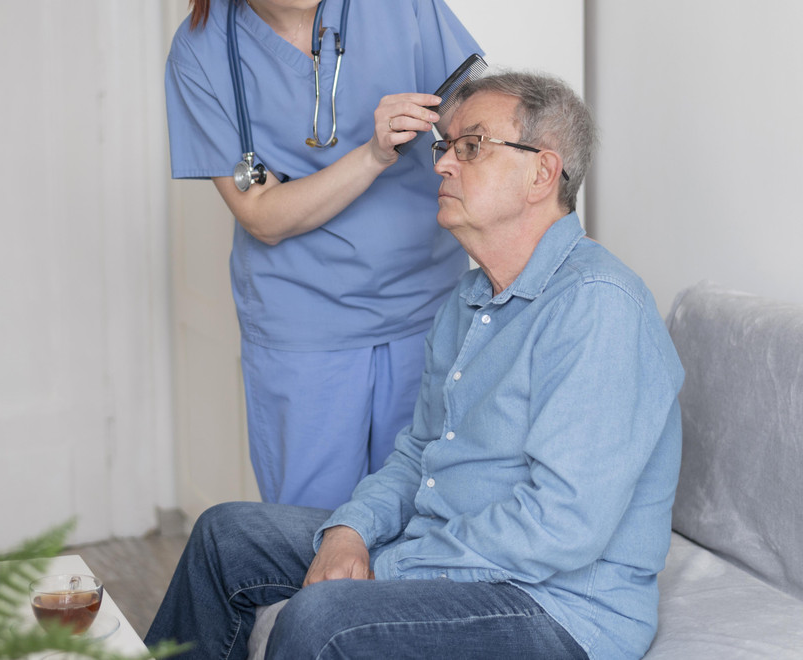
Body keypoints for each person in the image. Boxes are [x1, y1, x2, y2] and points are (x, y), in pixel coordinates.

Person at [146, 72, 685, 660]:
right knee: (226, 536)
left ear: (542, 173)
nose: (443, 165)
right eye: (444, 145)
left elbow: (562, 527)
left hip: (555, 607)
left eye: (472, 146)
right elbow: (417, 455)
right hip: (448, 549)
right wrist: (349, 531)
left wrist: (389, 562)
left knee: (321, 617)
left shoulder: (597, 305)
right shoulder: (470, 299)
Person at [167, 0, 483, 509]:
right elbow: (262, 216)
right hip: (306, 331)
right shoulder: (200, 55)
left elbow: (474, 104)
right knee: (314, 541)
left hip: (429, 305)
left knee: (423, 527)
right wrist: (371, 154)